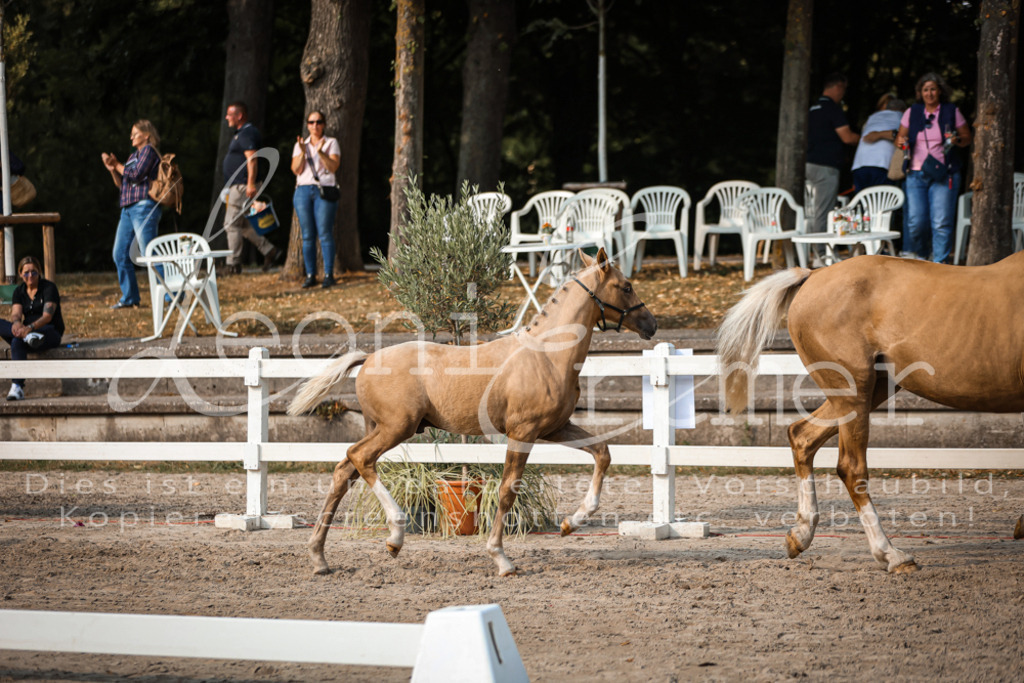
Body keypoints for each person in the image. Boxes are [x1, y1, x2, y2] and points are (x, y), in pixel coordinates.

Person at [895, 72, 972, 263]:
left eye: (933, 89)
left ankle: (940, 263)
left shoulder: (951, 110)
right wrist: (902, 141)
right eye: (925, 90)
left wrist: (956, 140)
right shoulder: (912, 112)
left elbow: (967, 138)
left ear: (939, 91)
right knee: (916, 222)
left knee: (941, 223)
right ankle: (923, 255)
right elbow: (899, 139)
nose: (929, 93)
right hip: (915, 173)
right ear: (920, 93)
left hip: (944, 173)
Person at [101, 120, 163, 309]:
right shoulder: (133, 156)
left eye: (135, 133)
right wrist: (113, 170)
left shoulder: (149, 151)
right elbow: (123, 184)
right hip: (128, 208)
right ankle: (130, 297)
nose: (131, 137)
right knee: (119, 253)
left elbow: (136, 175)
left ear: (146, 135)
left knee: (149, 252)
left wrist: (117, 164)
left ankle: (171, 295)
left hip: (144, 205)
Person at [221, 101, 281, 274]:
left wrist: (250, 184)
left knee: (231, 224)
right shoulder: (241, 133)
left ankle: (233, 264)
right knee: (244, 225)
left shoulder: (246, 133)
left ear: (239, 116)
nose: (226, 117)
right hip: (238, 185)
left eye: (229, 114)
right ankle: (270, 250)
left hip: (243, 185)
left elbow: (252, 159)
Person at [806, 73, 860, 260]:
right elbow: (847, 137)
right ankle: (822, 254)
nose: (843, 94)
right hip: (825, 166)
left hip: (808, 164)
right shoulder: (832, 108)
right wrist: (864, 140)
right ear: (837, 87)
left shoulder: (812, 108)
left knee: (811, 211)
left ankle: (816, 250)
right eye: (843, 90)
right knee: (823, 211)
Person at [1, 256, 64, 401]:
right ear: (20, 274)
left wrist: (29, 328)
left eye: (34, 272)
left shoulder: (49, 288)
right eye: (26, 272)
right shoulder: (19, 291)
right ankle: (26, 338)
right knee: (17, 337)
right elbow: (16, 313)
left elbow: (47, 316)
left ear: (39, 272)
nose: (30, 276)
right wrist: (17, 324)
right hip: (26, 332)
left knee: (17, 342)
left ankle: (17, 387)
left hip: (48, 331)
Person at [291, 110, 341, 289]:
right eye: (311, 122)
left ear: (324, 124)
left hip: (324, 190)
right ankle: (311, 274)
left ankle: (329, 274)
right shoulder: (300, 145)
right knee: (307, 235)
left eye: (319, 122)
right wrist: (303, 153)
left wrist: (321, 153)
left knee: (325, 233)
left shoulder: (331, 143)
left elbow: (333, 167)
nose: (315, 125)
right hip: (303, 190)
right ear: (307, 125)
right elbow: (296, 169)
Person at [851, 94, 907, 193]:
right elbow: (903, 136)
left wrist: (877, 134)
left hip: (859, 165)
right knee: (882, 204)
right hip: (882, 164)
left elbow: (866, 136)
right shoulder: (901, 116)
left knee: (863, 204)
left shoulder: (871, 118)